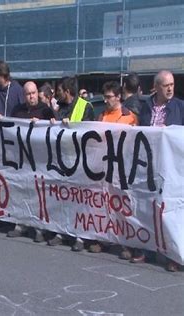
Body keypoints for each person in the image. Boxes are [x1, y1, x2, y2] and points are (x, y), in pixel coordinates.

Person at [136, 70, 184, 272]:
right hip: (150, 165)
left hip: (173, 167)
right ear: (156, 87)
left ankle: (174, 255)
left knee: (171, 210)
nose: (170, 88)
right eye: (166, 85)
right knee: (149, 206)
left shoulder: (180, 107)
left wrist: (169, 131)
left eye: (172, 84)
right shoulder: (146, 107)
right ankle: (148, 249)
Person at [87, 81, 137, 254]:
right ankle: (102, 239)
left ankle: (127, 244)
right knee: (103, 204)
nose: (106, 100)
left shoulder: (129, 117)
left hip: (122, 168)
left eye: (109, 97)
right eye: (105, 97)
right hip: (103, 168)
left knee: (122, 206)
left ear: (118, 97)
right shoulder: (101, 116)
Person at [48, 76, 94, 252]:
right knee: (62, 197)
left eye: (59, 90)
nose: (56, 93)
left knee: (79, 199)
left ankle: (80, 236)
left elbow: (87, 132)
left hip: (80, 160)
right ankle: (62, 231)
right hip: (62, 159)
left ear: (67, 91)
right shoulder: (60, 108)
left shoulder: (85, 106)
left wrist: (71, 127)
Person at [7, 81, 55, 241]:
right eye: (28, 94)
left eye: (34, 93)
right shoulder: (17, 110)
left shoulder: (46, 110)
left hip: (41, 161)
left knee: (39, 194)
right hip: (22, 159)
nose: (32, 96)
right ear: (24, 95)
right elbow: (9, 129)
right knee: (22, 192)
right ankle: (21, 224)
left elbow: (55, 131)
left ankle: (40, 229)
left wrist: (43, 124)